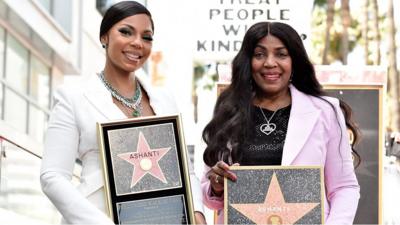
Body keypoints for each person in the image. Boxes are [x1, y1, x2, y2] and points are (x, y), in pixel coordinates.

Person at [40, 1, 206, 224]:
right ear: (104, 37)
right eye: (126, 32)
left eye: (146, 37)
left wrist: (196, 212)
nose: (137, 43)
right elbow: (52, 176)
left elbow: (186, 171)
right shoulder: (73, 97)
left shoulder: (164, 100)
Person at [201, 21, 360, 225]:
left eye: (281, 54)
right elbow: (211, 198)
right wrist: (216, 186)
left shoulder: (325, 111)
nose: (269, 62)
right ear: (248, 62)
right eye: (259, 54)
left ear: (295, 60)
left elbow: (344, 187)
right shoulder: (228, 112)